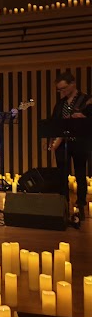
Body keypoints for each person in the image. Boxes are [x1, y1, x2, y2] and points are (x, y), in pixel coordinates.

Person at [49, 72, 92, 220]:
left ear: (73, 84)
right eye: (59, 90)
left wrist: (84, 118)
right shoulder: (60, 104)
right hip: (63, 144)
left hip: (80, 142)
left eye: (64, 88)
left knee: (80, 173)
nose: (62, 92)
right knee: (62, 173)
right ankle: (63, 201)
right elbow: (54, 122)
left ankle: (81, 202)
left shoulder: (86, 100)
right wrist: (52, 140)